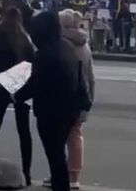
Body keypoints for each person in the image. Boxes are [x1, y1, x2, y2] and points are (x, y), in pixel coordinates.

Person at [16, 12, 92, 191]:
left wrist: (16, 96)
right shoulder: (67, 48)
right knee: (58, 156)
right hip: (69, 110)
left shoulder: (45, 53)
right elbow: (81, 79)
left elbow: (35, 83)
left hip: (50, 112)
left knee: (55, 157)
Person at [0, 7, 35, 187]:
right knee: (24, 133)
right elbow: (32, 61)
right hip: (20, 86)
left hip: (0, 85)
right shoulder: (24, 37)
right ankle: (27, 174)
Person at [54, 9, 96, 190]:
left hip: (63, 98)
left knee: (57, 139)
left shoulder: (60, 43)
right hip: (82, 96)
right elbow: (91, 75)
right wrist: (89, 99)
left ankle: (58, 173)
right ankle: (74, 177)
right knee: (76, 136)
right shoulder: (84, 43)